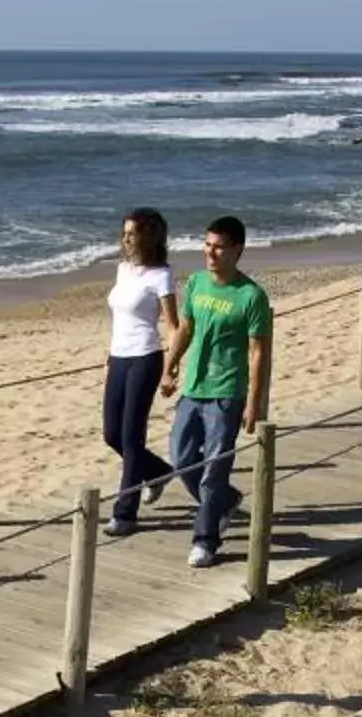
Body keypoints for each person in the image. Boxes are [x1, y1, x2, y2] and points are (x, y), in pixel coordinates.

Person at [164, 214, 272, 567]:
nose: (210, 252)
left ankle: (206, 539)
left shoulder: (251, 296)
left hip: (227, 393)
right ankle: (224, 502)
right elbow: (185, 328)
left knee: (214, 470)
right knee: (181, 460)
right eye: (207, 245)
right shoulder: (196, 283)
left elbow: (259, 352)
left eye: (218, 247)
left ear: (236, 250)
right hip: (194, 388)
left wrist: (253, 403)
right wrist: (169, 367)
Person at [100, 207, 180, 536]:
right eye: (124, 233)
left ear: (149, 236)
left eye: (132, 233)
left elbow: (174, 327)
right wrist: (109, 356)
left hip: (146, 358)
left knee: (132, 438)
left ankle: (125, 513)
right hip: (118, 357)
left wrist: (169, 369)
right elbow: (120, 318)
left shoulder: (161, 275)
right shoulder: (123, 269)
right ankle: (159, 471)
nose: (126, 239)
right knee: (111, 434)